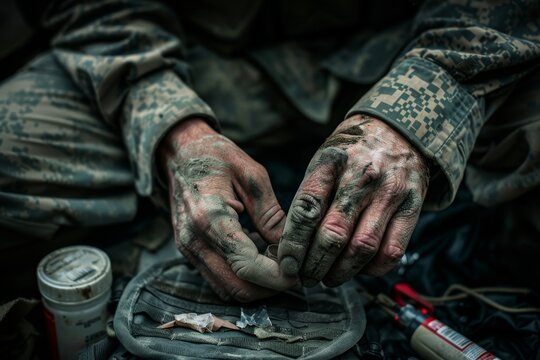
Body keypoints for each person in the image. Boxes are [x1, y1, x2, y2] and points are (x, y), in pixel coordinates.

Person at [1, 0, 539, 303]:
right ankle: (152, 239)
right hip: (206, 61)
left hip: (422, 51)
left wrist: (415, 114)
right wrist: (174, 130)